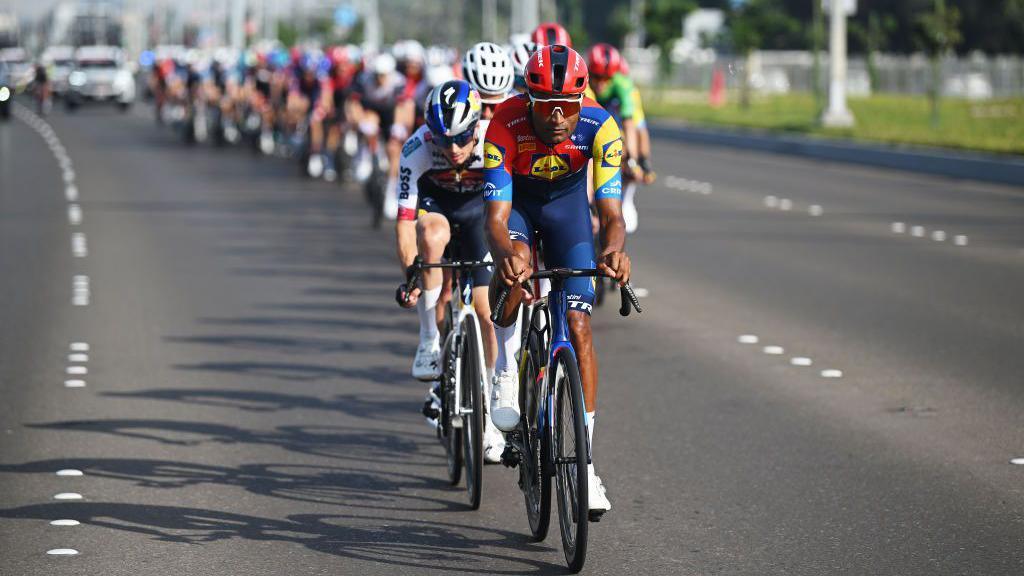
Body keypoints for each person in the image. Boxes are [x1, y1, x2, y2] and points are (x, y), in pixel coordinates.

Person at [483, 44, 630, 514]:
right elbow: (495, 218)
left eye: (569, 106)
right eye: (549, 108)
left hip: (569, 214)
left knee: (580, 324)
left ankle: (584, 466)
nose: (560, 118)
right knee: (516, 268)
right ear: (530, 101)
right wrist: (506, 255)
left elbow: (610, 214)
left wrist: (613, 250)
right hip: (520, 212)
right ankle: (506, 369)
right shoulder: (503, 124)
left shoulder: (601, 127)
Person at [394, 79, 505, 462]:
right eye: (443, 140)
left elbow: (510, 208)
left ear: (477, 125)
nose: (453, 149)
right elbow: (406, 221)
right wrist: (411, 271)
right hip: (436, 209)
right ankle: (428, 340)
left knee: (489, 313)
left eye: (461, 139)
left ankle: (490, 414)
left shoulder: (494, 141)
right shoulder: (416, 148)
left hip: (477, 215)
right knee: (432, 233)